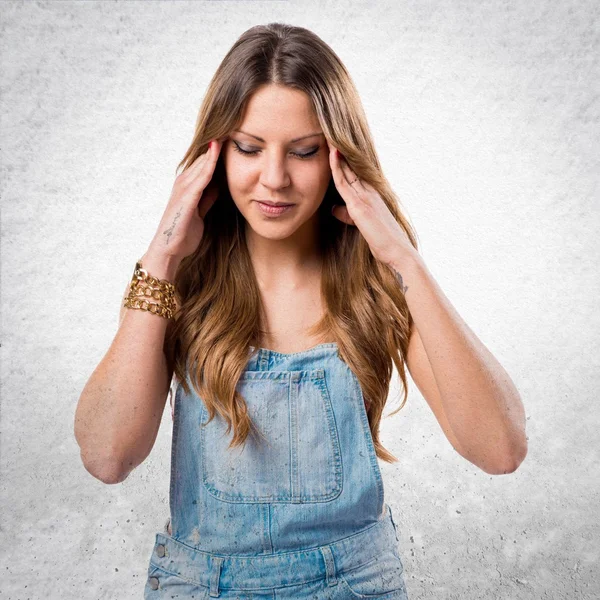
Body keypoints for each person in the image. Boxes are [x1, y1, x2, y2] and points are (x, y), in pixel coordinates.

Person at [74, 22, 527, 599]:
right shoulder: (172, 288)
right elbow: (108, 456)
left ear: (340, 157)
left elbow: (502, 449)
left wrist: (406, 263)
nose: (275, 178)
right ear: (214, 152)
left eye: (305, 151)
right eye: (248, 147)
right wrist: (161, 255)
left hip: (354, 586)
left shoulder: (376, 290)